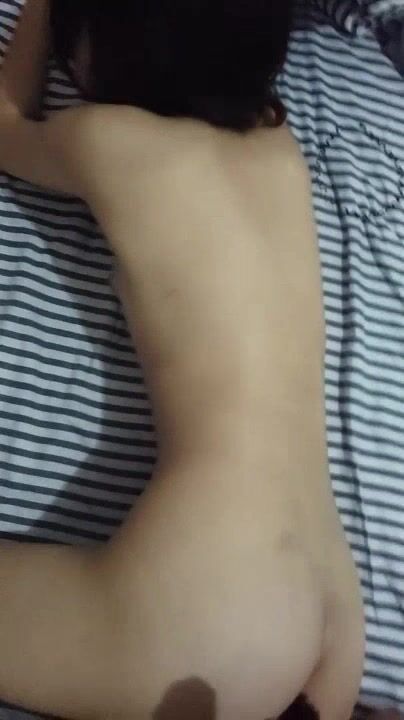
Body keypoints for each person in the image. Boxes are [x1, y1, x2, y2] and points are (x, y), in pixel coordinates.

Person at [0, 1, 366, 718]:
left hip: (216, 603)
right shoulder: (277, 145)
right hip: (333, 604)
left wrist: (39, 10)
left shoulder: (107, 140)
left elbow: (6, 126)